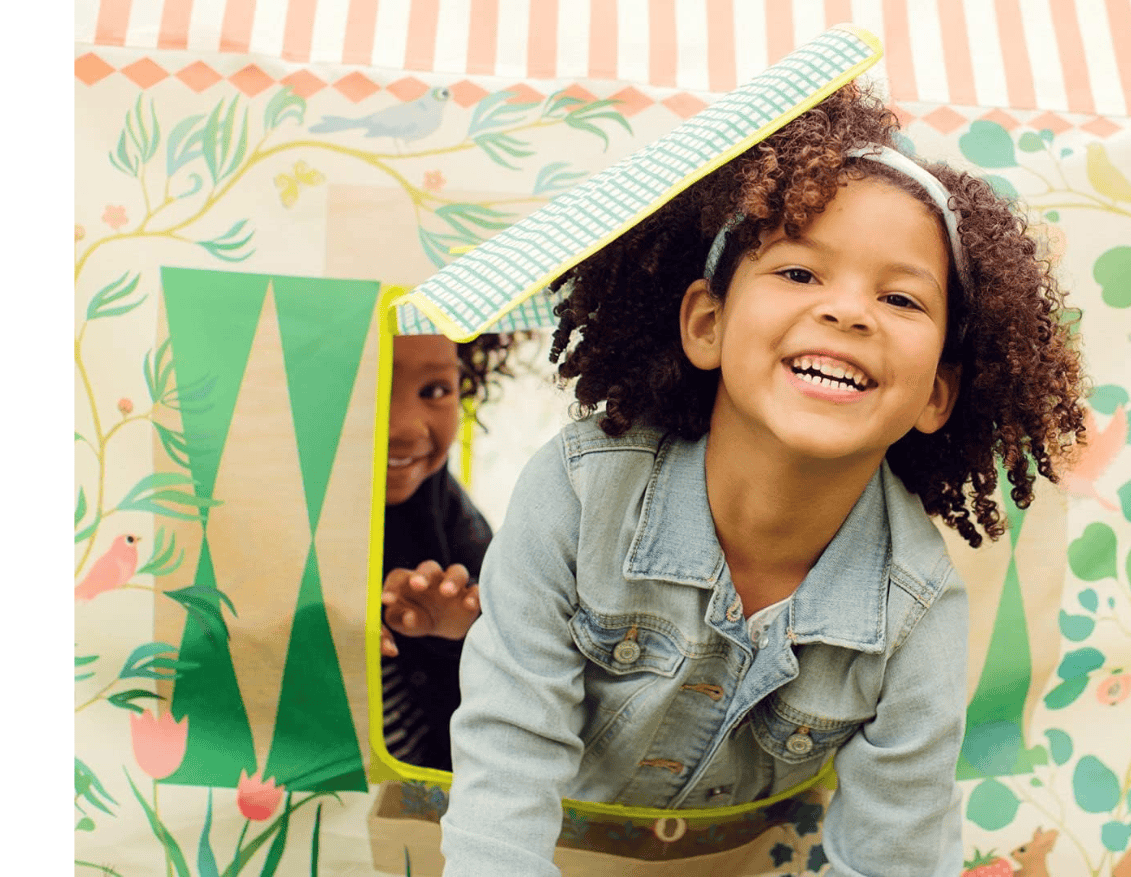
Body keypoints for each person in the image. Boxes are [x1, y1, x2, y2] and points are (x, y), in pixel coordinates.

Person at [439, 82, 1087, 876]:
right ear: (708, 324)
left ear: (936, 395)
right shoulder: (578, 493)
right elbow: (508, 757)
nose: (850, 312)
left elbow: (898, 851)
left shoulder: (916, 610)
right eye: (800, 274)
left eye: (899, 297)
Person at [377, 331, 524, 771]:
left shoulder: (443, 502)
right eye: (372, 387)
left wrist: (457, 629)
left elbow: (511, 640)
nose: (405, 427)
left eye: (435, 391)